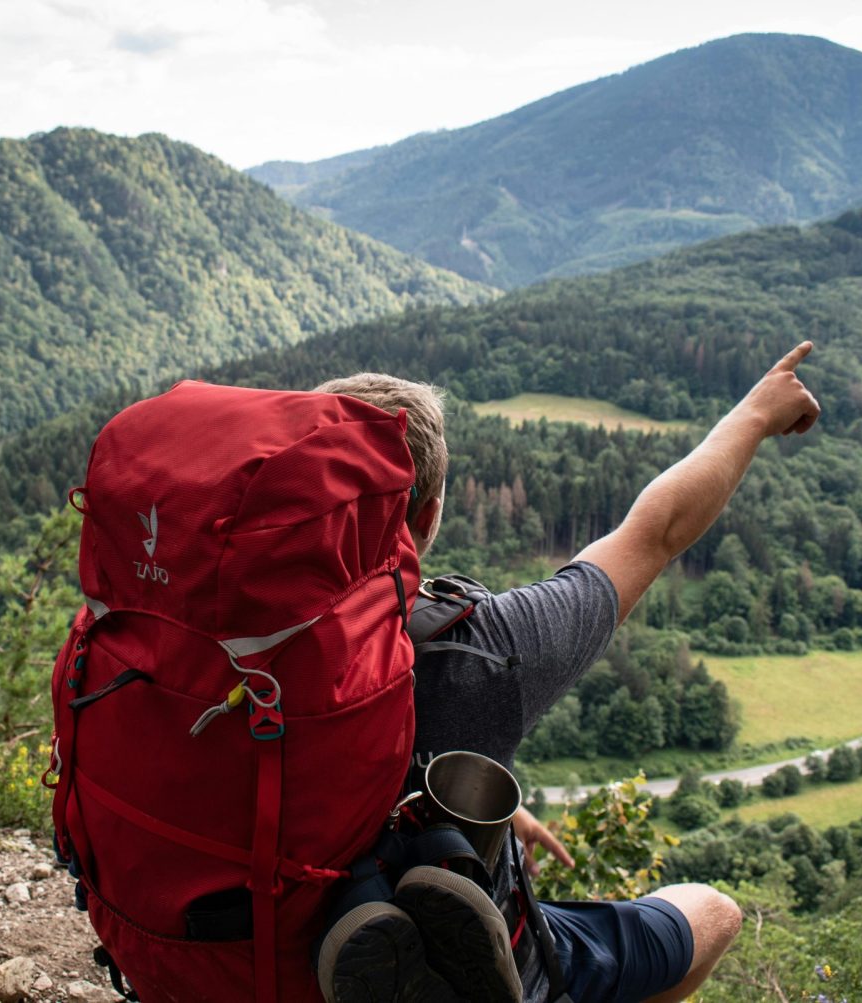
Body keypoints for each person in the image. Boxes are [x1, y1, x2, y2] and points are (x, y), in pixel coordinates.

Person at [313, 341, 821, 1003]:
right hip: (492, 967)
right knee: (711, 910)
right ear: (430, 516)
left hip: (259, 943)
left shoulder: (211, 648)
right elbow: (655, 530)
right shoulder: (486, 649)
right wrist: (755, 413)